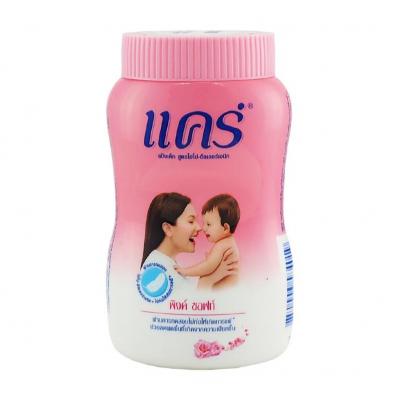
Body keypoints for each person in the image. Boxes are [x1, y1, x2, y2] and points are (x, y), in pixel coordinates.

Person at [141, 192, 237, 290]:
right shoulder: (156, 269)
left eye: (209, 224)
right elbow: (190, 296)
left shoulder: (168, 264)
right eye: (191, 221)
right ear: (168, 229)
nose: (200, 228)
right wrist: (215, 276)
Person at [175, 194, 240, 289]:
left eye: (209, 224)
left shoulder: (221, 245)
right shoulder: (229, 243)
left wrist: (185, 271)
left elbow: (208, 267)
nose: (204, 228)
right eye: (204, 223)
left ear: (226, 228)